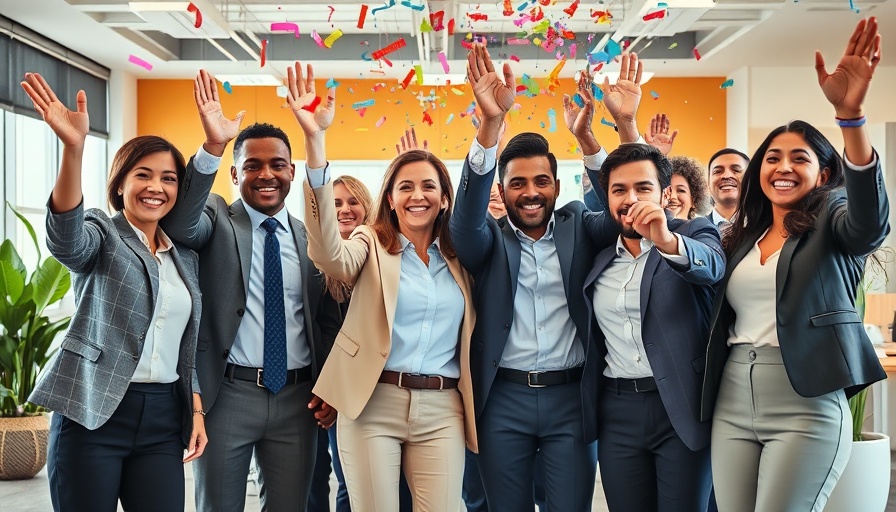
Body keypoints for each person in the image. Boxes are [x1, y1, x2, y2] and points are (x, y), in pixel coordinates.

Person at [701, 17, 888, 512]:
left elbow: (870, 223)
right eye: (772, 157)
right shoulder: (741, 236)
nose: (783, 167)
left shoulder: (833, 222)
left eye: (799, 158)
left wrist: (851, 119)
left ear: (823, 172)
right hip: (734, 399)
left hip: (805, 403)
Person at [450, 44, 636, 511]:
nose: (530, 193)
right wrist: (490, 128)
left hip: (571, 399)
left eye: (541, 182)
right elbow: (463, 224)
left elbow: (622, 211)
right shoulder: (488, 240)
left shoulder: (579, 225)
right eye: (517, 183)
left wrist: (590, 140)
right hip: (503, 399)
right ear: (502, 189)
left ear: (556, 185)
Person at [293, 61, 476, 512]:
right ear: (390, 198)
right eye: (405, 186)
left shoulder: (462, 256)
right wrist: (316, 144)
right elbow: (328, 256)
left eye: (428, 186)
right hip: (373, 401)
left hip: (443, 406)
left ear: (445, 197)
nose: (418, 195)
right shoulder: (370, 242)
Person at [22, 72, 206, 511]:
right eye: (143, 175)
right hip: (91, 409)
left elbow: (186, 348)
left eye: (169, 179)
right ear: (120, 182)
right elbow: (66, 240)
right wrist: (73, 149)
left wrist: (195, 411)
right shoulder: (103, 233)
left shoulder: (185, 257)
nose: (156, 188)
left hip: (163, 416)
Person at [161, 69, 336, 512]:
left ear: (292, 172)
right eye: (253, 165)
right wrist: (213, 147)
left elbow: (325, 321)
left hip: (298, 398)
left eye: (277, 164)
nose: (266, 175)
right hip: (229, 396)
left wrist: (332, 389)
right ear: (235, 173)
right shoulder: (219, 218)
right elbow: (180, 224)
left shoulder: (308, 238)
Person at [585, 143, 724, 512]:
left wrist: (665, 239)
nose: (630, 198)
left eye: (643, 188)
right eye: (619, 190)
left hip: (680, 407)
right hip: (617, 411)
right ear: (607, 199)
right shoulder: (598, 258)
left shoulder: (694, 231)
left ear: (664, 194)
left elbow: (711, 266)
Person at [706, 148, 749, 227]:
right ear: (707, 184)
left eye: (736, 170)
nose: (726, 176)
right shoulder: (692, 231)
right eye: (718, 171)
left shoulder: (768, 228)